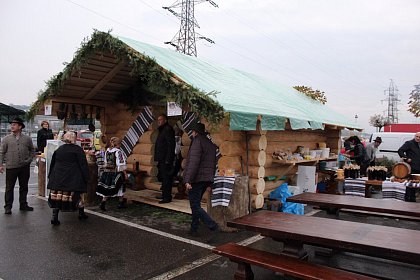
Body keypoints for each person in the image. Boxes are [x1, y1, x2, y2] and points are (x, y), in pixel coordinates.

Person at [183, 122, 219, 236]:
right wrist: (210, 180)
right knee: (196, 204)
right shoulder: (210, 143)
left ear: (196, 132)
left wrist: (188, 179)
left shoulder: (197, 141)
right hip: (206, 178)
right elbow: (213, 163)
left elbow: (193, 163)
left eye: (193, 131)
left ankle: (212, 225)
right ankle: (194, 229)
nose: (192, 134)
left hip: (197, 178)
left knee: (194, 205)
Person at [47, 131, 89, 225]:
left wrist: (50, 175)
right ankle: (81, 213)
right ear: (74, 138)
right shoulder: (78, 150)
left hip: (58, 176)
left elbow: (53, 163)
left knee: (58, 196)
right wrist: (86, 177)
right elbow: (83, 165)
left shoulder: (59, 149)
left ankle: (55, 216)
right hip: (73, 176)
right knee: (78, 195)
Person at [0, 117, 35, 214]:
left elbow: (32, 150)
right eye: (12, 124)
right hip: (11, 166)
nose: (12, 126)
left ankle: (23, 204)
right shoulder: (6, 139)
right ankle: (8, 207)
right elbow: (2, 152)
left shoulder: (27, 139)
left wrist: (29, 160)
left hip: (24, 167)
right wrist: (1, 165)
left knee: (24, 186)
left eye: (14, 124)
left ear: (20, 127)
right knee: (9, 187)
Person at [96, 137, 128, 210]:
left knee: (107, 188)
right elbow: (121, 164)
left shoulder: (108, 151)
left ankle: (103, 203)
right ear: (119, 144)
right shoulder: (118, 152)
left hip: (107, 173)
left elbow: (105, 162)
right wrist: (125, 173)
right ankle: (120, 203)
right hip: (116, 173)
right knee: (120, 186)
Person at [154, 114, 175, 204]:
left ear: (165, 120)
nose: (159, 121)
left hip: (166, 159)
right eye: (158, 120)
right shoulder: (162, 130)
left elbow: (171, 145)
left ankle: (167, 197)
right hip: (162, 158)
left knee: (167, 178)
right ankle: (164, 194)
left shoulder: (167, 129)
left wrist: (168, 159)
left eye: (161, 119)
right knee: (163, 177)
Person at [398, 132, 420, 201]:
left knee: (416, 184)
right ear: (414, 136)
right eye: (417, 136)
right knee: (409, 184)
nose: (418, 138)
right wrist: (406, 158)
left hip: (419, 168)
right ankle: (408, 199)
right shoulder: (409, 143)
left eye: (419, 137)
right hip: (411, 168)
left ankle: (413, 199)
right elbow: (400, 150)